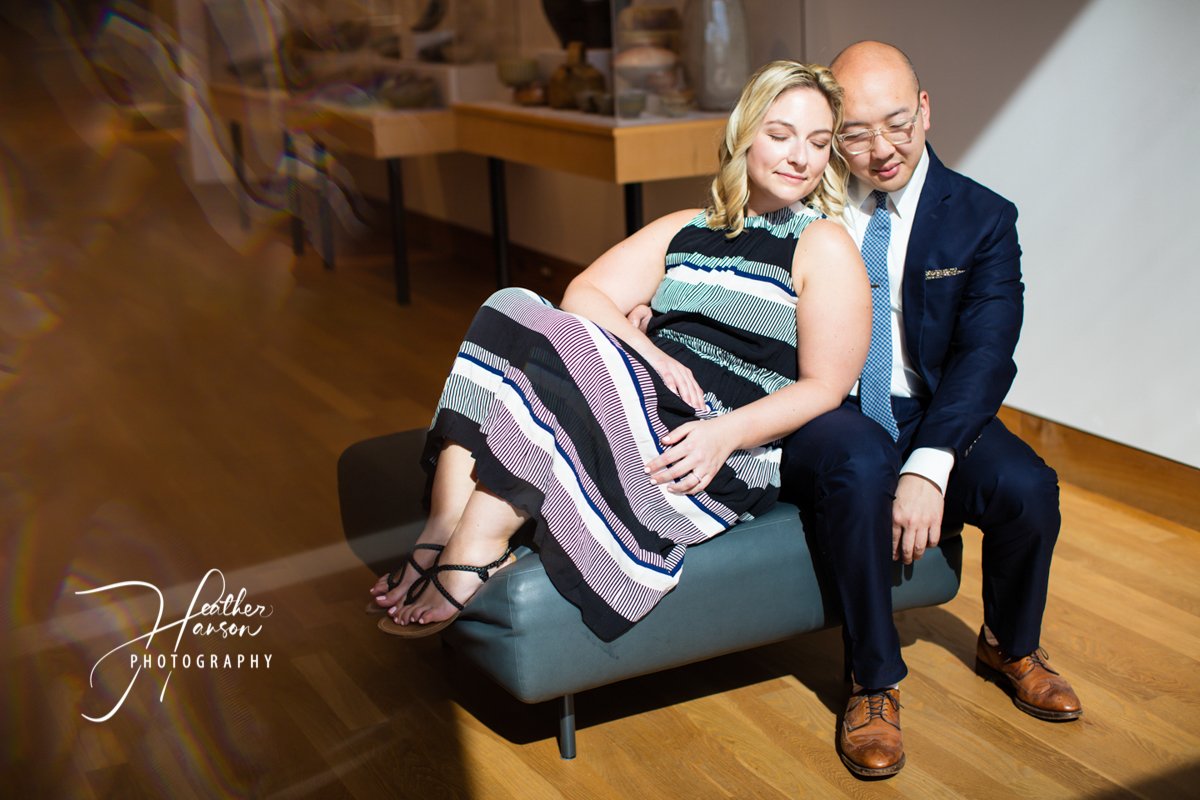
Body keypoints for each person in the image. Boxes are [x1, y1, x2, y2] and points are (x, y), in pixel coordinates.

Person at [364, 61, 871, 642]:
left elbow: (826, 386)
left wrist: (724, 434)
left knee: (571, 348)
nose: (800, 157)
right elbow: (583, 292)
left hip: (708, 441)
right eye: (781, 135)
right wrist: (650, 352)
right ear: (745, 134)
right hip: (643, 395)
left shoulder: (822, 243)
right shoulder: (689, 226)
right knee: (510, 304)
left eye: (818, 142)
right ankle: (442, 529)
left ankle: (475, 552)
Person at [777, 41, 1082, 778]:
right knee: (859, 468)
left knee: (1027, 489)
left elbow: (987, 355)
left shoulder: (982, 217)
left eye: (897, 125)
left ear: (925, 110)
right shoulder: (802, 204)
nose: (881, 150)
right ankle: (872, 683)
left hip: (932, 407)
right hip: (832, 402)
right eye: (855, 134)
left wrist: (930, 463)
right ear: (833, 134)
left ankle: (1009, 643)